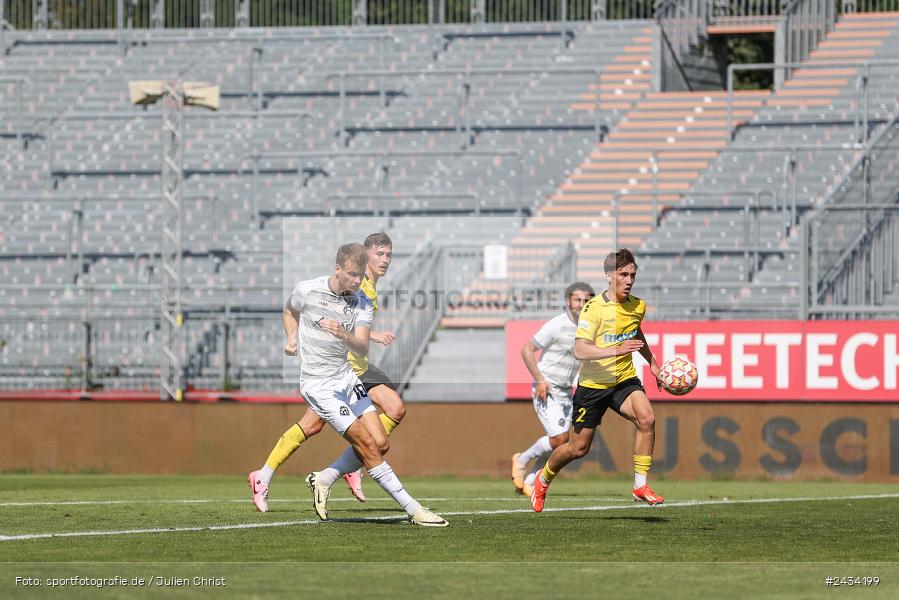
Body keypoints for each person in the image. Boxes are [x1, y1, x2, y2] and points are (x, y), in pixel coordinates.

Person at [262, 242, 446, 526]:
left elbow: (360, 347)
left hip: (347, 377)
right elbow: (290, 310)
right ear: (337, 269)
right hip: (319, 386)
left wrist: (342, 334)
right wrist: (290, 338)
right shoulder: (307, 289)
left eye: (360, 275)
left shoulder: (361, 299)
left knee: (381, 442)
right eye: (350, 274)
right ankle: (414, 510)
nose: (356, 280)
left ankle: (324, 478)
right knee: (367, 445)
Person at [248, 233, 406, 510]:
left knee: (392, 410)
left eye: (388, 254)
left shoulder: (366, 288)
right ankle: (267, 475)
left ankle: (350, 464)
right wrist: (294, 337)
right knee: (317, 424)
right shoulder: (358, 287)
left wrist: (372, 335)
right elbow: (331, 323)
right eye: (379, 254)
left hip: (356, 367)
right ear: (364, 257)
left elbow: (354, 328)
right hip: (341, 370)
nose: (385, 260)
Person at [530, 248, 664, 513]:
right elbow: (581, 350)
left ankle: (640, 485)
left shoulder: (638, 306)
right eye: (623, 274)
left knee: (647, 419)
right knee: (577, 448)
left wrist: (653, 364)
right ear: (609, 276)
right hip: (592, 386)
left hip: (623, 380)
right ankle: (543, 478)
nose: (629, 280)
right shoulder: (593, 309)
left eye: (632, 275)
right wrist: (617, 349)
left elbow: (637, 334)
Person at [511, 281, 595, 497]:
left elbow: (585, 358)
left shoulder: (591, 328)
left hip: (567, 392)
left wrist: (579, 380)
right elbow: (527, 349)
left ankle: (530, 481)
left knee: (564, 443)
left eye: (587, 300)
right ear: (568, 301)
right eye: (578, 300)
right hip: (546, 386)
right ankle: (521, 459)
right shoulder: (556, 325)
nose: (582, 304)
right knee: (559, 439)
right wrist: (539, 379)